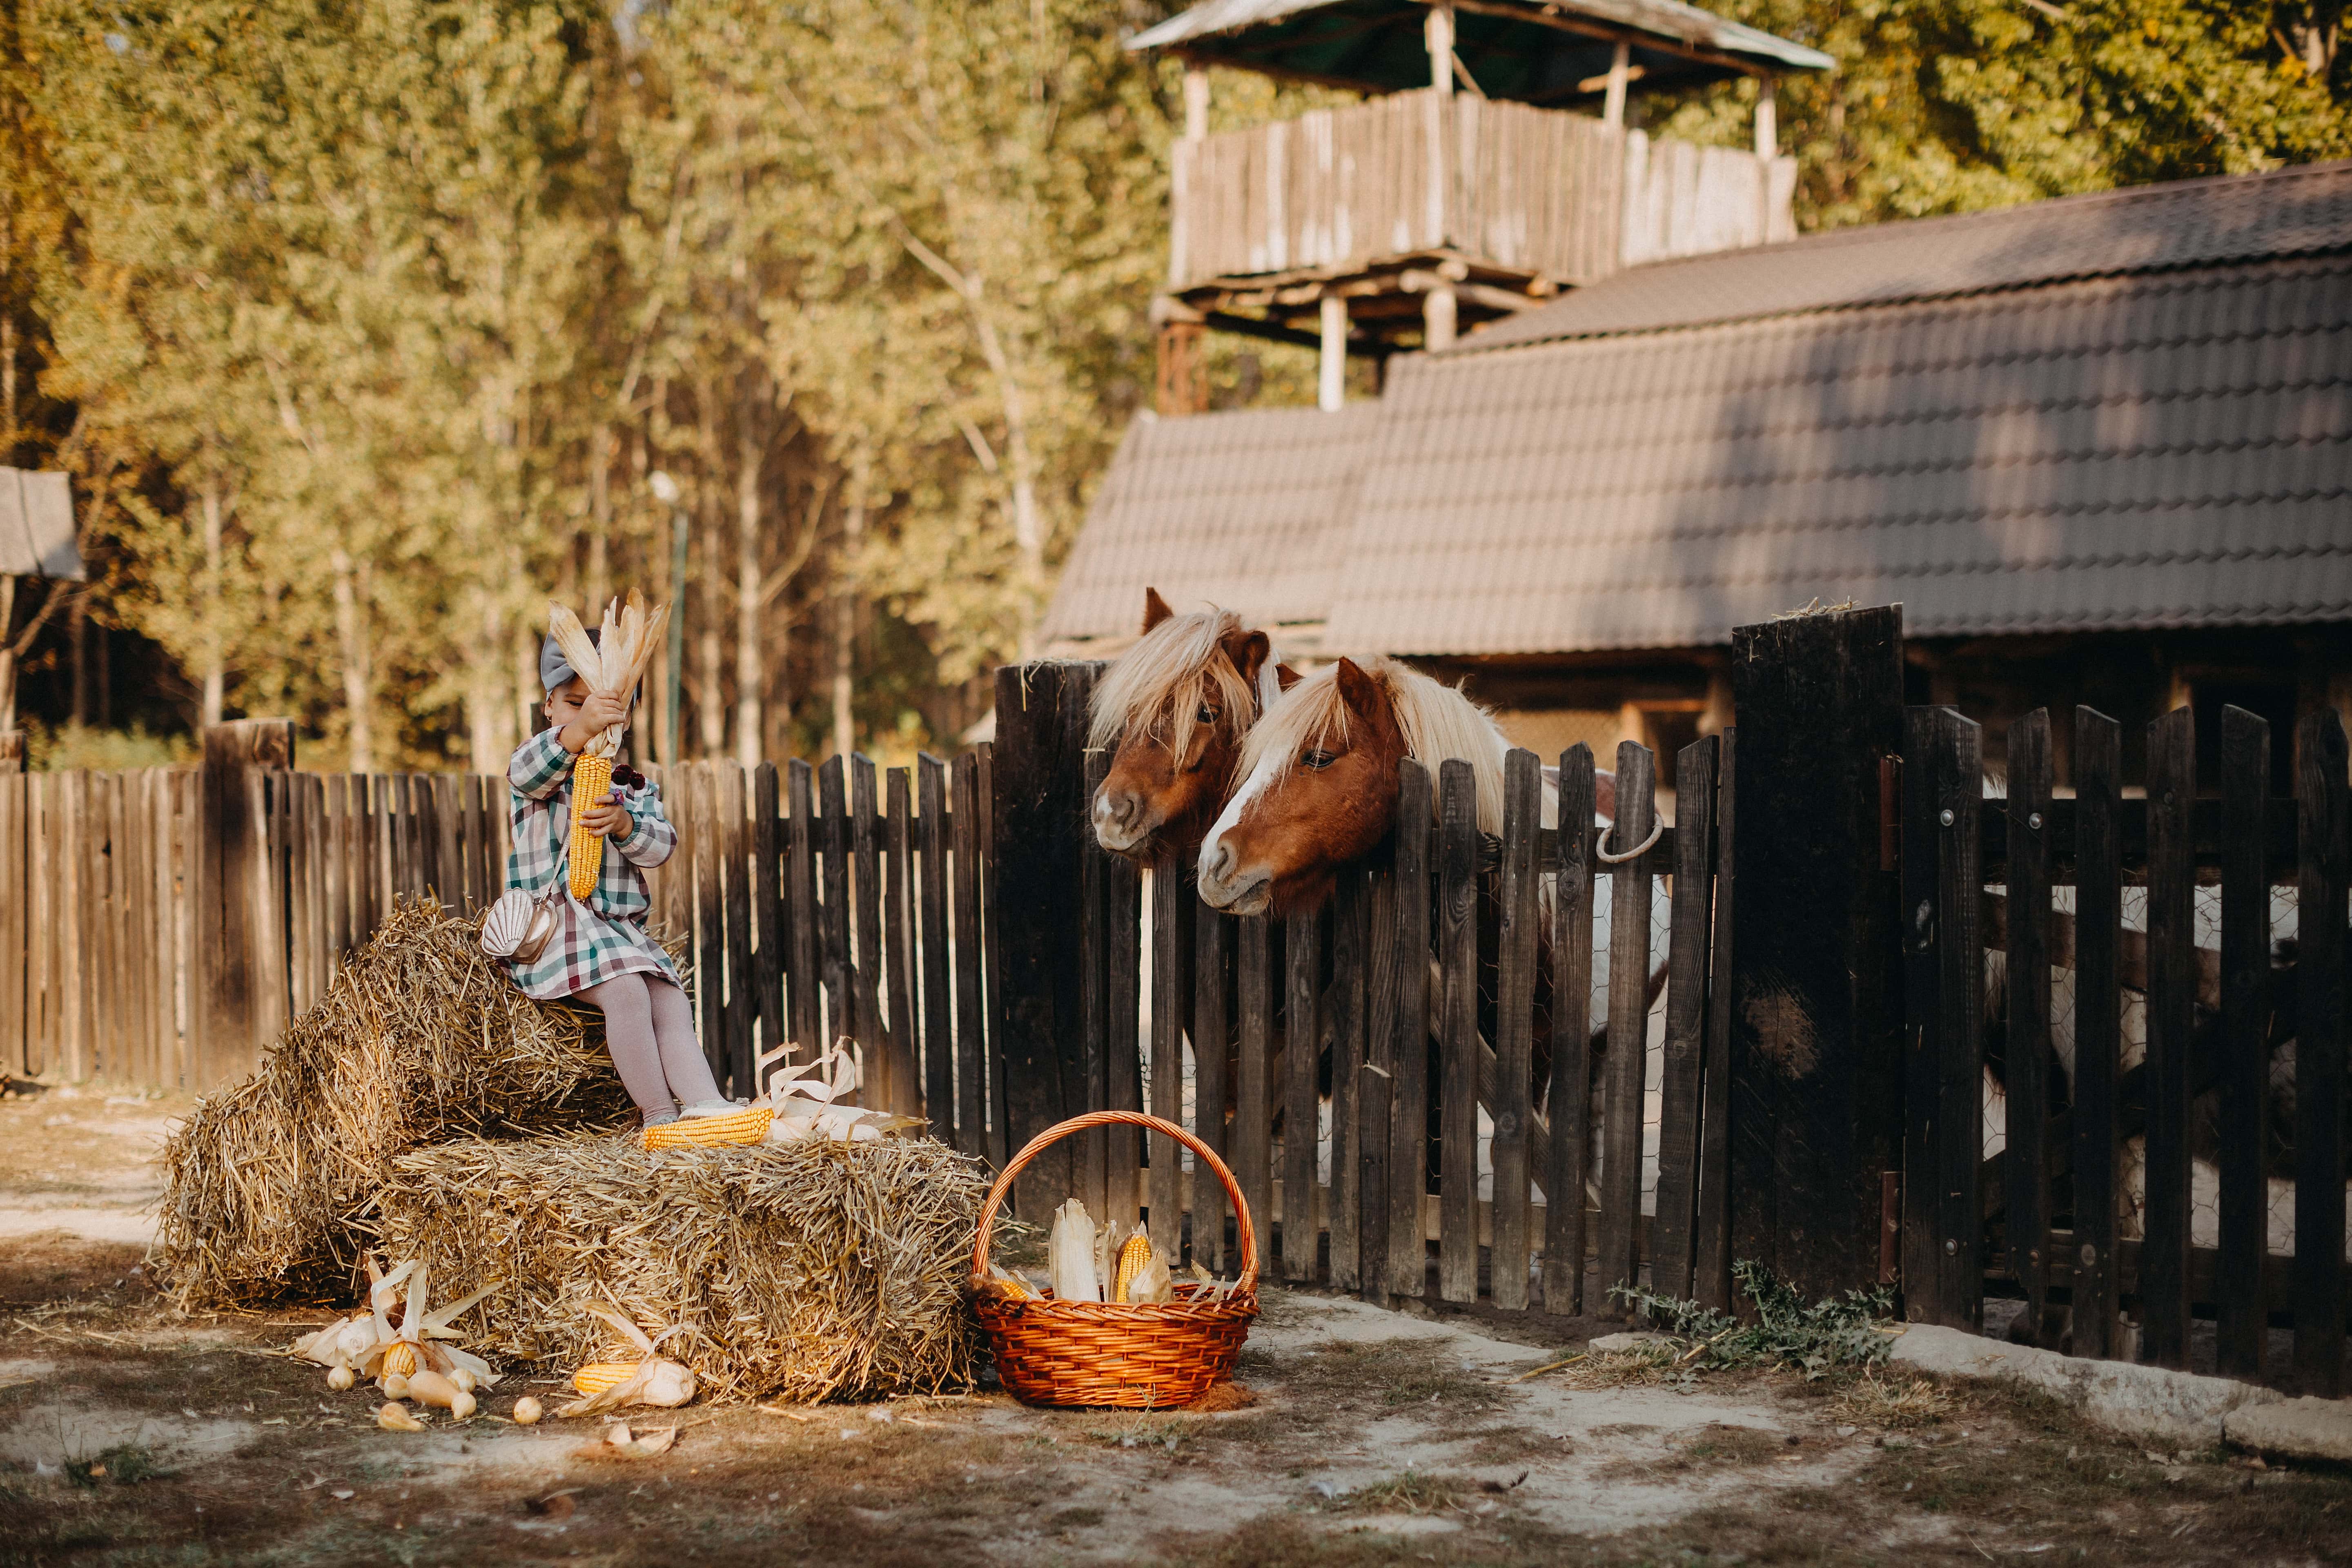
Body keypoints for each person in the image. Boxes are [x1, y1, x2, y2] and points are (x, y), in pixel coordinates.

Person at [500, 626, 731, 1130]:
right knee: (626, 991)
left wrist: (625, 825)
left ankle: (708, 1107)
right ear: (548, 706)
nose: (589, 714)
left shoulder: (629, 785)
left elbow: (660, 847)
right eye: (574, 703)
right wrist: (581, 730)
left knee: (668, 998)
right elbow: (526, 772)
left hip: (617, 929)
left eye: (605, 708)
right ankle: (659, 1116)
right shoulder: (539, 767)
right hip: (556, 928)